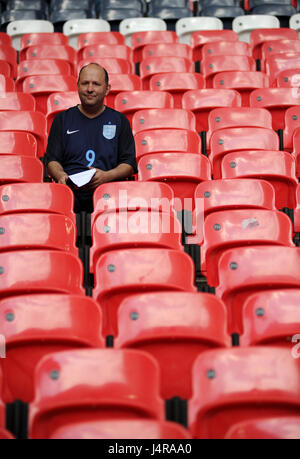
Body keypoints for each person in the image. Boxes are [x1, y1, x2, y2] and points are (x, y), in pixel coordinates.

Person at [45, 63, 138, 213]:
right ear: (77, 86)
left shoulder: (119, 121)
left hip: (109, 193)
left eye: (96, 84)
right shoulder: (62, 119)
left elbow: (129, 164)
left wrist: (106, 176)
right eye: (85, 83)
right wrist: (61, 175)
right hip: (71, 192)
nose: (89, 89)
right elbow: (52, 161)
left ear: (107, 89)